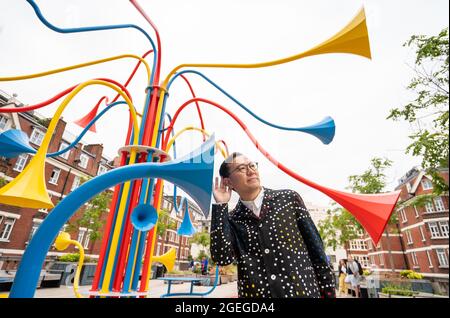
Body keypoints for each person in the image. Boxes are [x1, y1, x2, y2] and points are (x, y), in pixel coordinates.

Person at [210, 152, 336, 298]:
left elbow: (318, 253)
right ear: (228, 182)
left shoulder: (289, 199)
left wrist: (328, 293)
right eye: (241, 168)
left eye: (252, 165)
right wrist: (220, 206)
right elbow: (222, 258)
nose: (251, 170)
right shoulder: (231, 219)